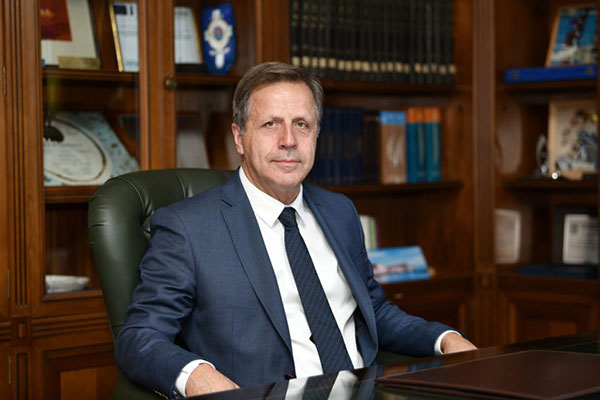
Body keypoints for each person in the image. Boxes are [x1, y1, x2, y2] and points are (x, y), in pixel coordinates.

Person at [114, 62, 476, 398]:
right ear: (239, 137)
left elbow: (373, 312)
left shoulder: (339, 211)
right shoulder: (188, 228)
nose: (288, 140)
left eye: (301, 124)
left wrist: (444, 339)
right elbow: (140, 337)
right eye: (270, 124)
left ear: (316, 134)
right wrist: (198, 376)